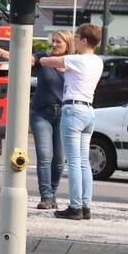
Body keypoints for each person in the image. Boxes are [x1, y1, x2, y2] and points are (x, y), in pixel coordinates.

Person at [0, 30, 74, 210]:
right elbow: (24, 59)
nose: (54, 45)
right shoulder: (43, 58)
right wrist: (4, 54)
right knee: (45, 156)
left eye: (59, 42)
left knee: (59, 159)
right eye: (53, 41)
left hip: (63, 114)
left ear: (68, 45)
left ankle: (53, 193)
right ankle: (46, 196)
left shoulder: (72, 63)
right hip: (41, 113)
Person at [35, 24, 104, 220]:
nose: (73, 40)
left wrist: (41, 57)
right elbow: (63, 66)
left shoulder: (76, 60)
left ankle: (75, 207)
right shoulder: (98, 62)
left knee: (73, 161)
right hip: (89, 111)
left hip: (73, 110)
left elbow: (48, 61)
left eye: (76, 37)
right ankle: (86, 205)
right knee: (84, 163)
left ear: (84, 40)